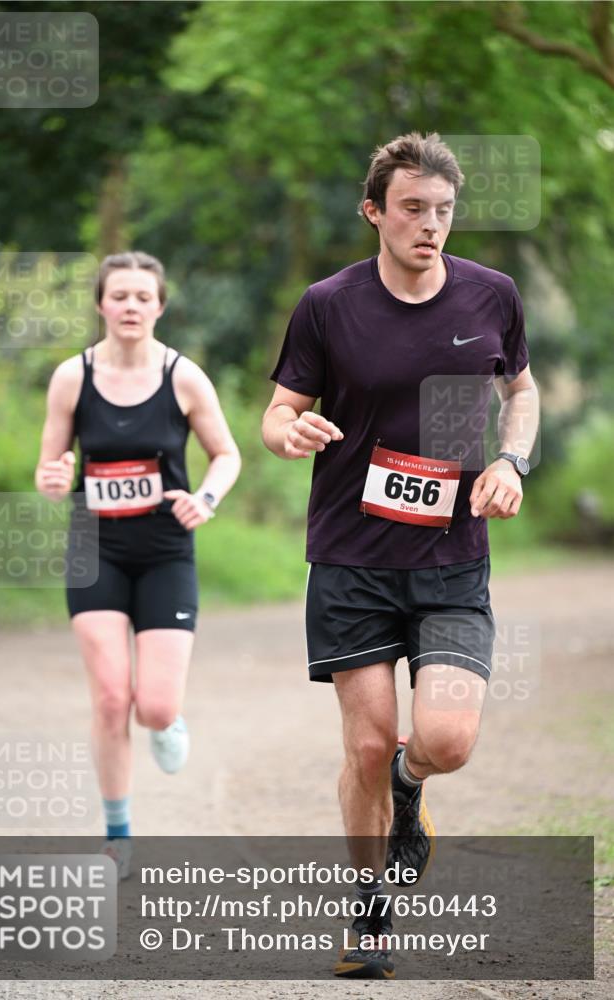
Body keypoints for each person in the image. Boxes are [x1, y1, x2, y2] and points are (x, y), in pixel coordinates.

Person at [262, 132, 539, 979]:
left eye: (443, 211)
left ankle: (409, 786)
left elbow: (519, 392)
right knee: (364, 743)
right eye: (412, 209)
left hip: (452, 556)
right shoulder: (328, 303)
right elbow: (277, 413)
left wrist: (510, 459)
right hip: (351, 556)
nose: (429, 226)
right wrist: (289, 432)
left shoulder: (491, 297)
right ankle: (370, 916)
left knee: (445, 739)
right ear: (374, 211)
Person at [36, 251, 241, 877]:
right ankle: (118, 834)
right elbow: (49, 466)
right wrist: (52, 477)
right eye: (118, 295)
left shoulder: (184, 377)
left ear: (159, 306)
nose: (130, 306)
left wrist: (205, 500)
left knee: (151, 705)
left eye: (142, 297)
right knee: (108, 697)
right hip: (94, 546)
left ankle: (165, 716)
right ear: (101, 304)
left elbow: (226, 455)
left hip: (165, 550)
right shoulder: (72, 377)